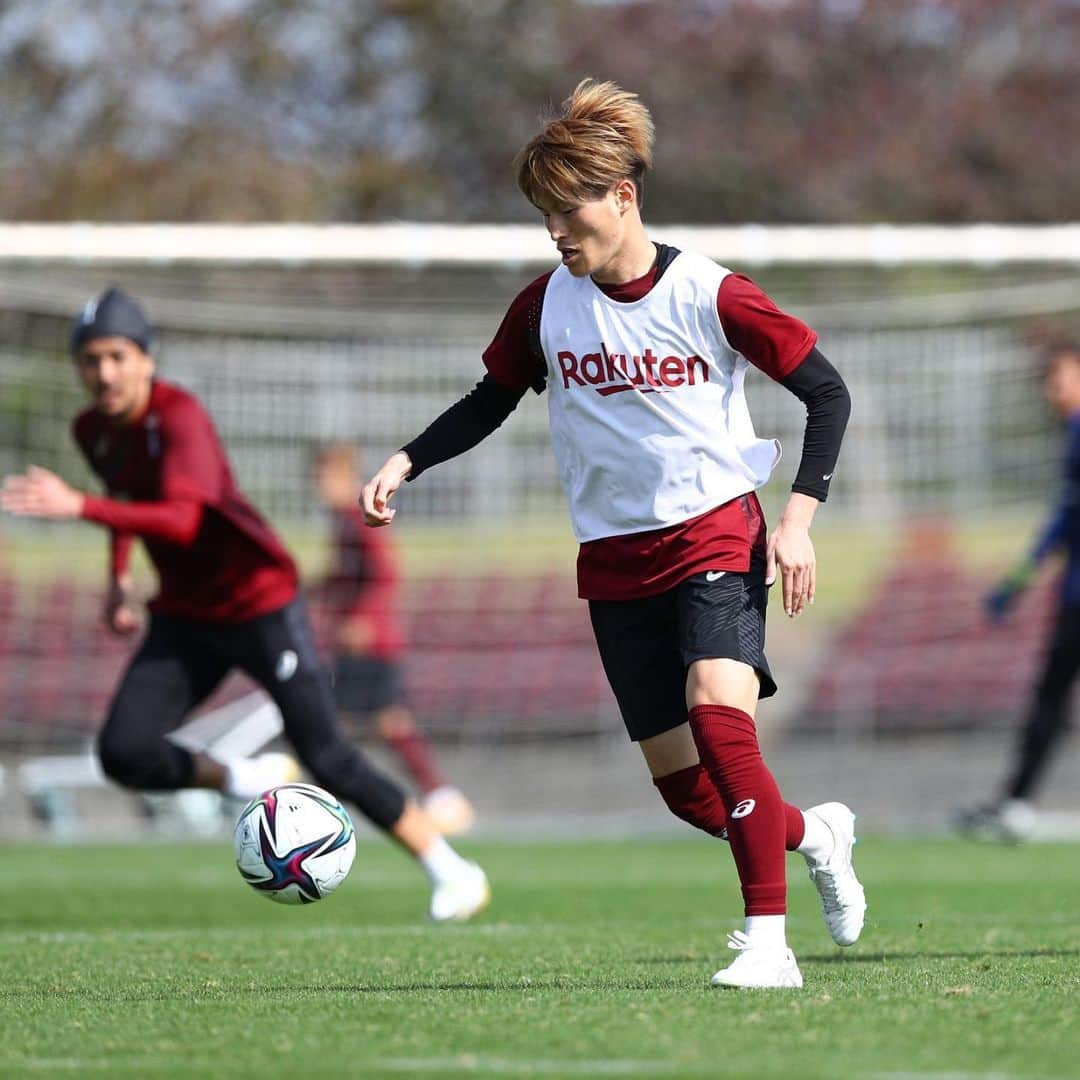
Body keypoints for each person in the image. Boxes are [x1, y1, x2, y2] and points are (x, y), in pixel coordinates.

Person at [361, 79, 865, 989]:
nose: (556, 231)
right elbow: (491, 400)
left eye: (567, 210)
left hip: (715, 535)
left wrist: (797, 518)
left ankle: (768, 945)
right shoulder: (545, 306)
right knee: (690, 795)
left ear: (621, 197)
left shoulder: (713, 294)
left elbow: (826, 392)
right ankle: (816, 832)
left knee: (722, 717)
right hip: (614, 560)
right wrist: (406, 459)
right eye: (543, 215)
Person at [0, 287, 489, 922]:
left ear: (146, 359)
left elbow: (181, 517)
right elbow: (127, 498)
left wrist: (79, 508)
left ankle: (452, 870)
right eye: (91, 360)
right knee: (125, 751)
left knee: (327, 754)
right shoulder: (91, 429)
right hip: (186, 615)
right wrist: (118, 579)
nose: (105, 373)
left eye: (118, 356)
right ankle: (246, 779)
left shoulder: (181, 418)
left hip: (260, 604)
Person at [313, 442, 476, 835]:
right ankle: (436, 797)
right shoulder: (343, 519)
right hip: (360, 638)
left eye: (326, 476)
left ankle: (438, 796)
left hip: (372, 640)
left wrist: (363, 619)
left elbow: (384, 571)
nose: (319, 485)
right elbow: (345, 576)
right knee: (363, 722)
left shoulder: (358, 516)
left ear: (344, 475)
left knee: (366, 722)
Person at [957, 341, 1080, 842]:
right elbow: (1066, 518)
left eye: (1061, 378)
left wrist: (1017, 582)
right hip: (1073, 596)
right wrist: (1018, 582)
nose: (1053, 391)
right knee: (1049, 697)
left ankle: (1016, 803)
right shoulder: (1071, 433)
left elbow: (1065, 520)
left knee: (1050, 699)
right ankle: (1016, 804)